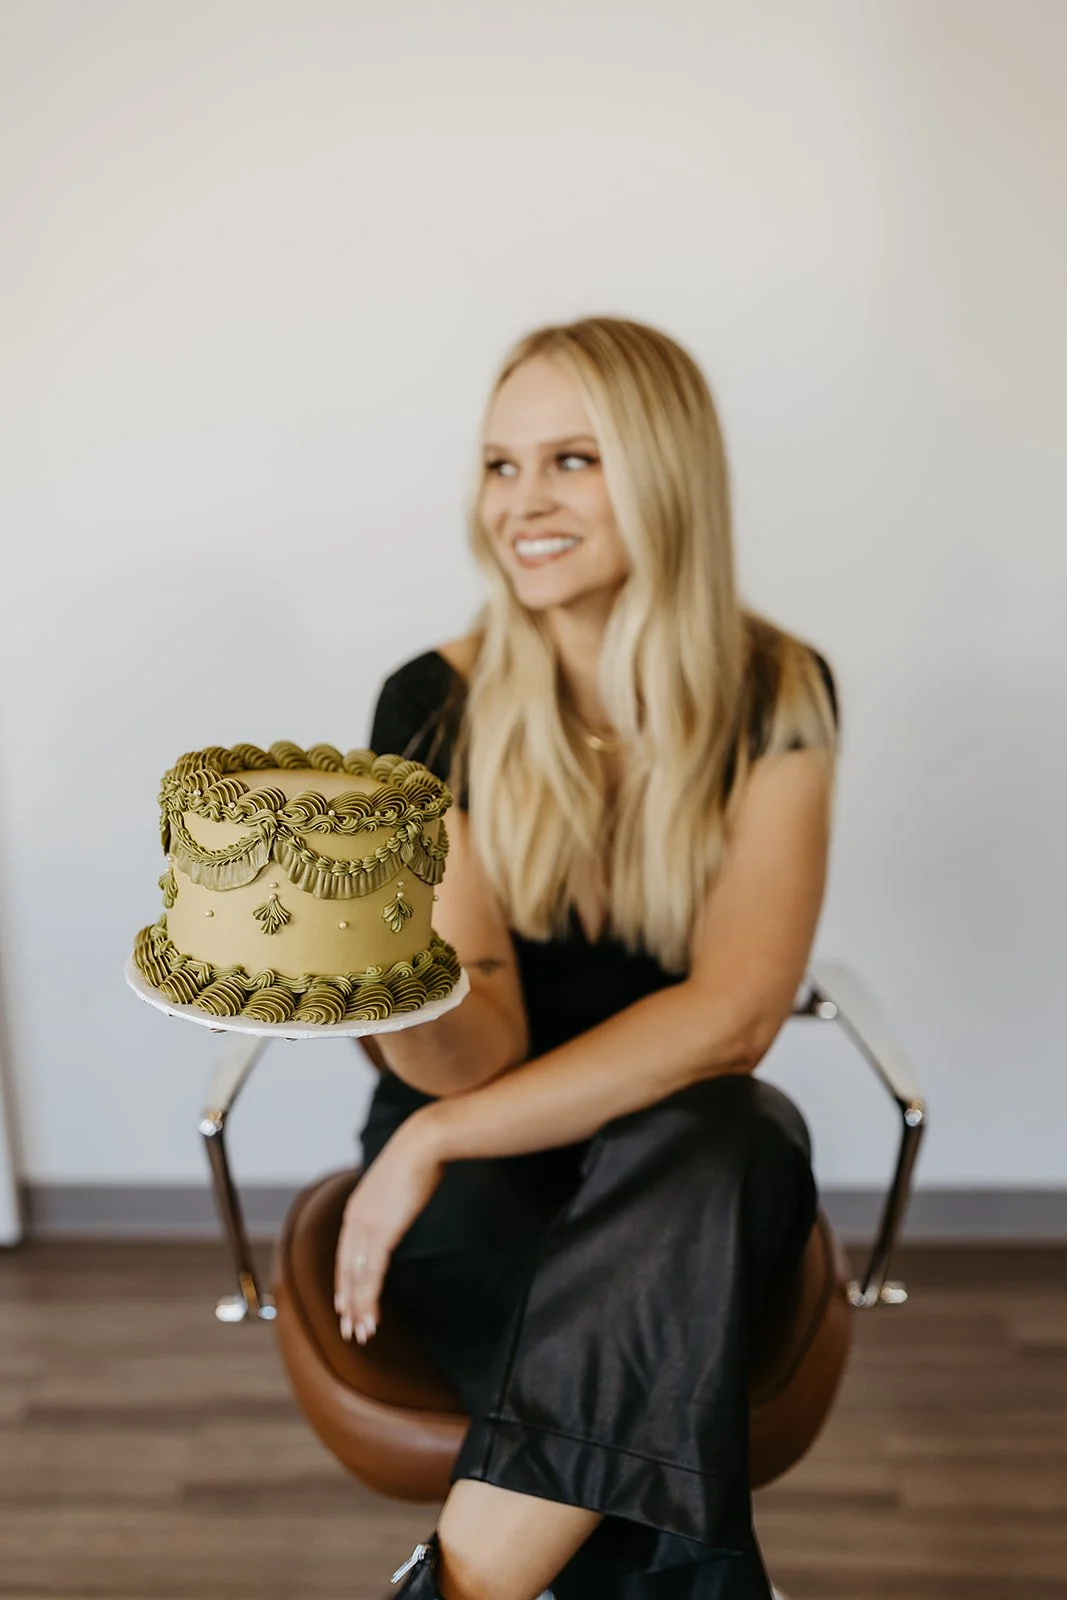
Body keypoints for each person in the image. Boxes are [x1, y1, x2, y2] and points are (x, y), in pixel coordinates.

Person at [333, 315, 840, 1600]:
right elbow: (475, 1052)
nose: (522, 503)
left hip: (680, 1167)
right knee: (642, 1389)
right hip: (476, 1173)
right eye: (500, 466)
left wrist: (426, 1140)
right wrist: (387, 996)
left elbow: (730, 1018)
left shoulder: (778, 691)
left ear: (663, 472)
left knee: (735, 1125)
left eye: (570, 459)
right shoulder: (429, 702)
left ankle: (458, 1582)